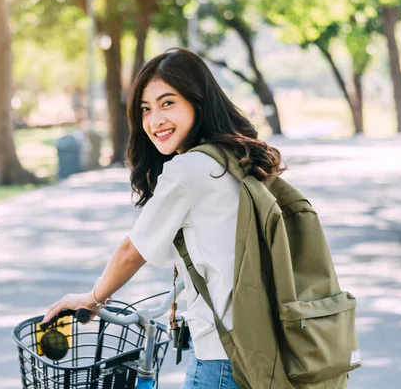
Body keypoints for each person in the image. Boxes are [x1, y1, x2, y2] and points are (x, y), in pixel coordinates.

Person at [42, 48, 285, 388]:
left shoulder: (188, 170)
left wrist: (92, 299)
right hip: (264, 349)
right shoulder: (237, 158)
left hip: (222, 357)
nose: (154, 120)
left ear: (197, 103)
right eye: (145, 109)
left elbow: (132, 251)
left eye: (167, 103)